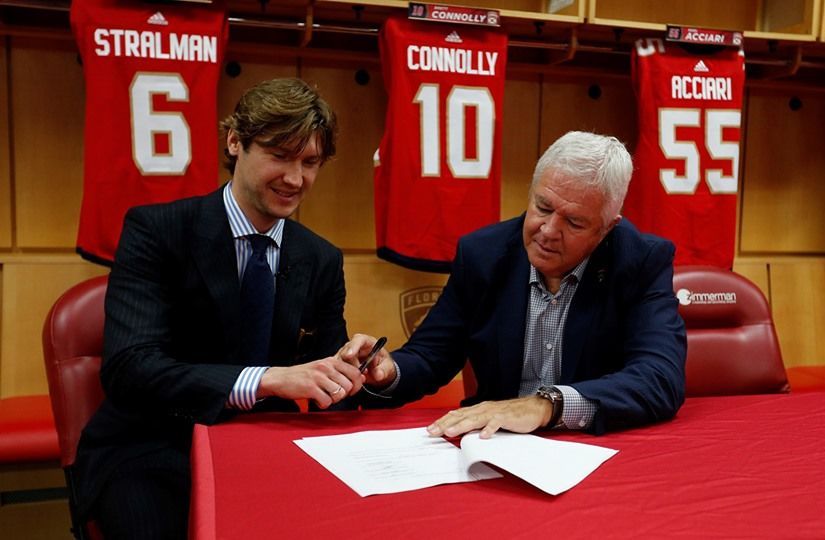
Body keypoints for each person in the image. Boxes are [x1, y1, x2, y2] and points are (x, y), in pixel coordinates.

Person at [74, 78, 364, 539]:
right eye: (280, 155)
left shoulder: (320, 258)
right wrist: (266, 379)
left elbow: (328, 375)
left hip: (270, 448)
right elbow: (131, 368)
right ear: (235, 142)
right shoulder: (157, 230)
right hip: (157, 446)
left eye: (310, 162)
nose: (295, 179)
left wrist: (359, 369)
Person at [344, 131, 687, 438]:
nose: (549, 230)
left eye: (575, 222)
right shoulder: (483, 254)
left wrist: (546, 406)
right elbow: (432, 356)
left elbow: (659, 378)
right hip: (495, 442)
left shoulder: (640, 260)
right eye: (542, 207)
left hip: (591, 445)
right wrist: (389, 372)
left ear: (607, 228)